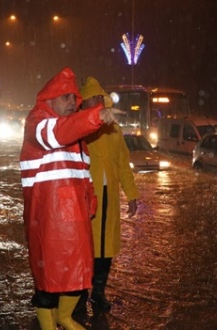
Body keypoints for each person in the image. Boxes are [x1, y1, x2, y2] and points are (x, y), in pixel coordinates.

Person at [19, 67, 123, 330]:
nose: (71, 103)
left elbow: (83, 171)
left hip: (73, 217)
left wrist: (90, 201)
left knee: (78, 272)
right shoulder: (37, 121)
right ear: (51, 98)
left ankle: (64, 317)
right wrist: (94, 116)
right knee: (49, 277)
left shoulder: (76, 137)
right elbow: (55, 134)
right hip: (47, 217)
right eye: (66, 97)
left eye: (73, 98)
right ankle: (49, 323)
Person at [76, 77, 139, 315]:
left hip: (108, 196)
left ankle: (98, 292)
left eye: (98, 99)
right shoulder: (79, 127)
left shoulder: (115, 129)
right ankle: (79, 294)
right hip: (86, 195)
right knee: (86, 246)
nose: (95, 103)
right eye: (90, 99)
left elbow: (123, 164)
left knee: (105, 247)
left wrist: (131, 195)